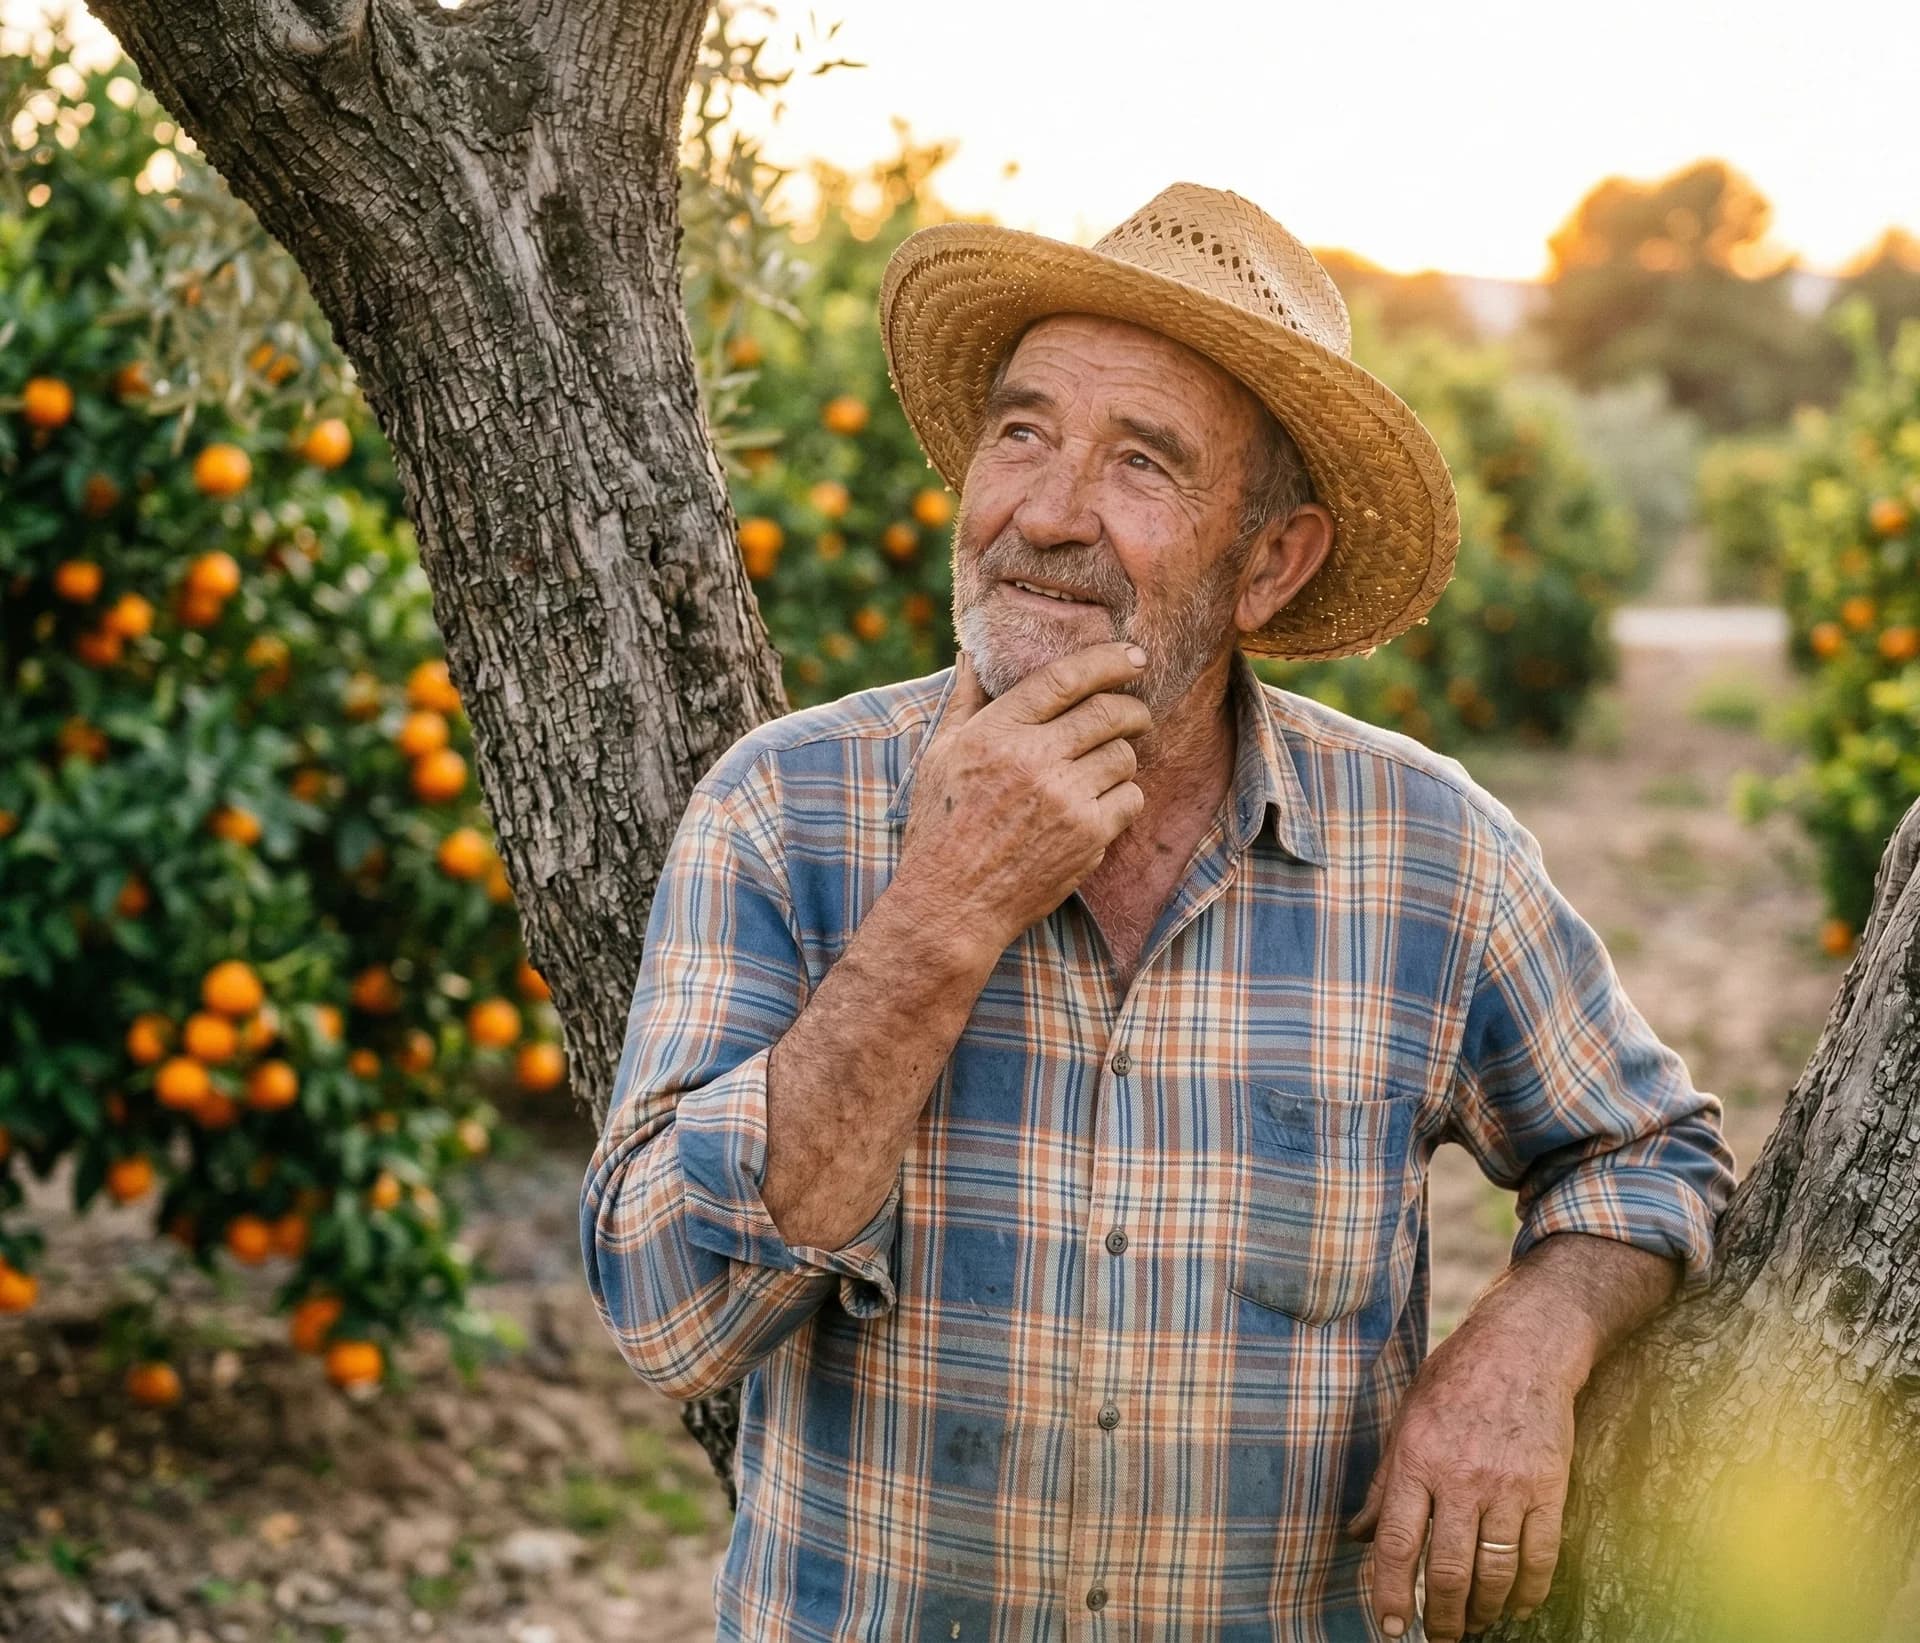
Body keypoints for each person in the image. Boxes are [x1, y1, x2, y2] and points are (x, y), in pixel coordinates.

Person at [580, 182, 1737, 1642]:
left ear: (1270, 562)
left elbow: (1647, 1152)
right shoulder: (784, 811)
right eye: (1022, 433)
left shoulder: (1426, 854)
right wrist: (942, 914)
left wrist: (1528, 1342)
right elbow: (670, 1320)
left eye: (1142, 462)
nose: (1045, 513)